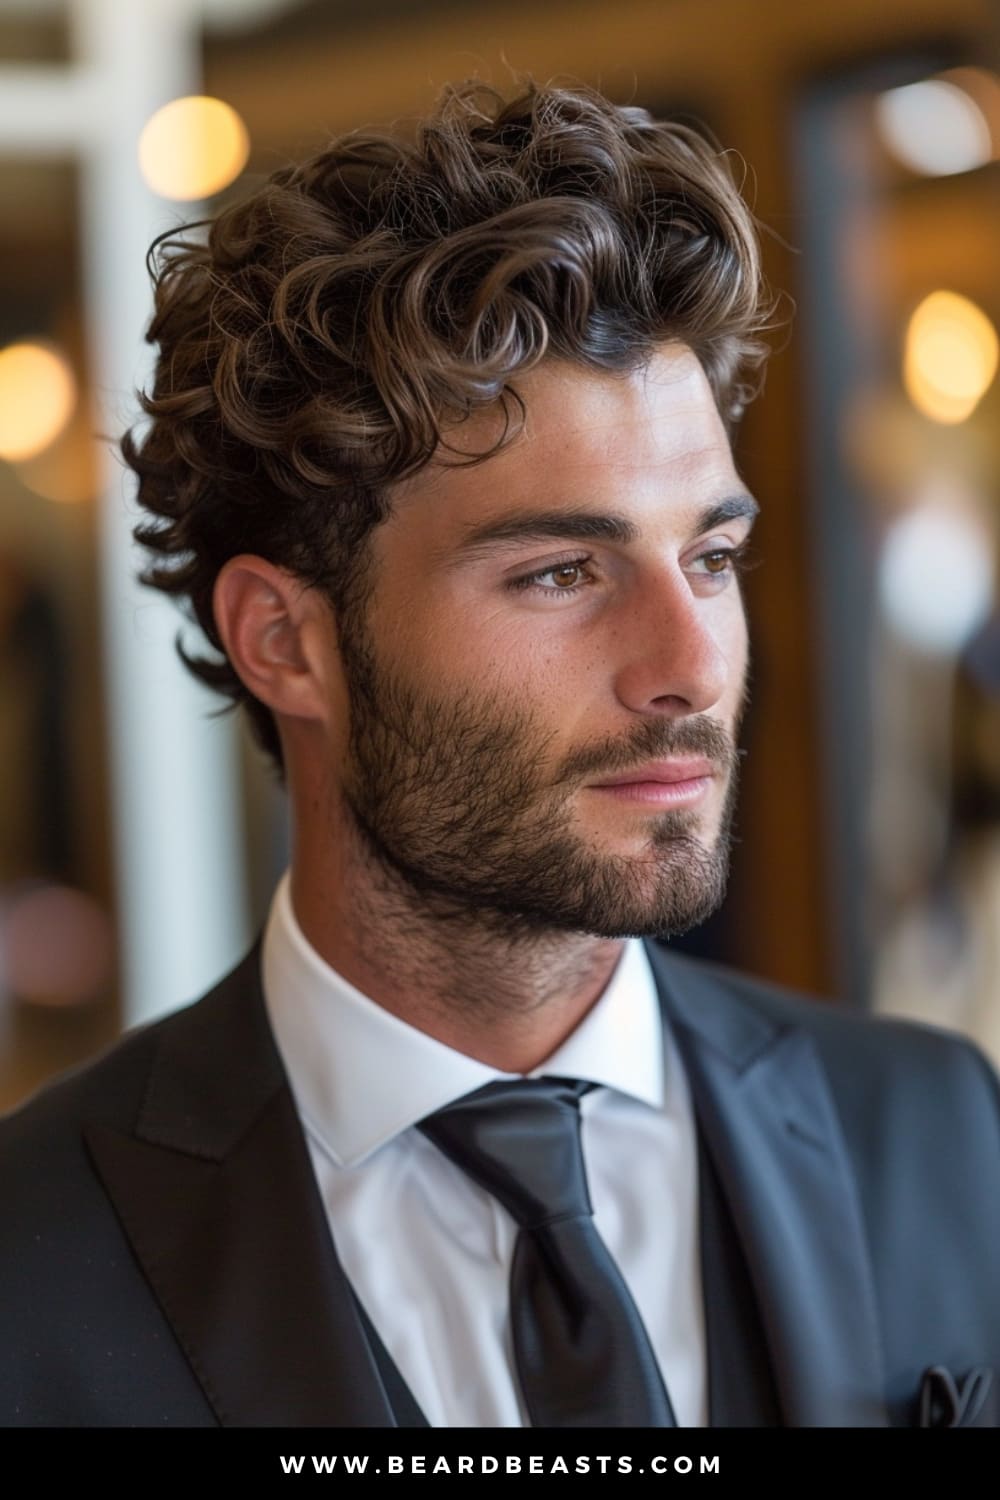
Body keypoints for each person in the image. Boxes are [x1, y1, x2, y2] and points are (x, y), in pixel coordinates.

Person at [1, 78, 998, 1431]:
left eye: (709, 556)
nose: (690, 665)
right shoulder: (38, 1256)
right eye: (560, 573)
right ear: (283, 641)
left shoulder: (937, 1132)